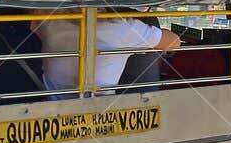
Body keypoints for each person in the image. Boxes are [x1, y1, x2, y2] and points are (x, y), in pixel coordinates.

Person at [34, 15, 180, 93]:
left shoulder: (50, 23)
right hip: (103, 115)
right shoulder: (124, 28)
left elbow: (35, 27)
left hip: (52, 114)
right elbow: (174, 42)